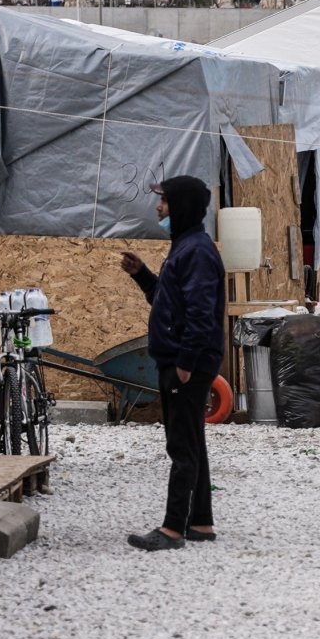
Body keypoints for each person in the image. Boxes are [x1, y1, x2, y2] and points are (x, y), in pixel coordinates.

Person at [118, 175, 225, 551]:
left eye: (163, 202)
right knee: (193, 441)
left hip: (186, 365)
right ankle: (201, 522)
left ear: (180, 206)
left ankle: (172, 529)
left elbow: (199, 314)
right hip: (186, 361)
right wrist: (143, 276)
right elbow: (170, 303)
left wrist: (185, 362)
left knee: (181, 446)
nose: (158, 208)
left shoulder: (195, 251)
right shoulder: (186, 246)